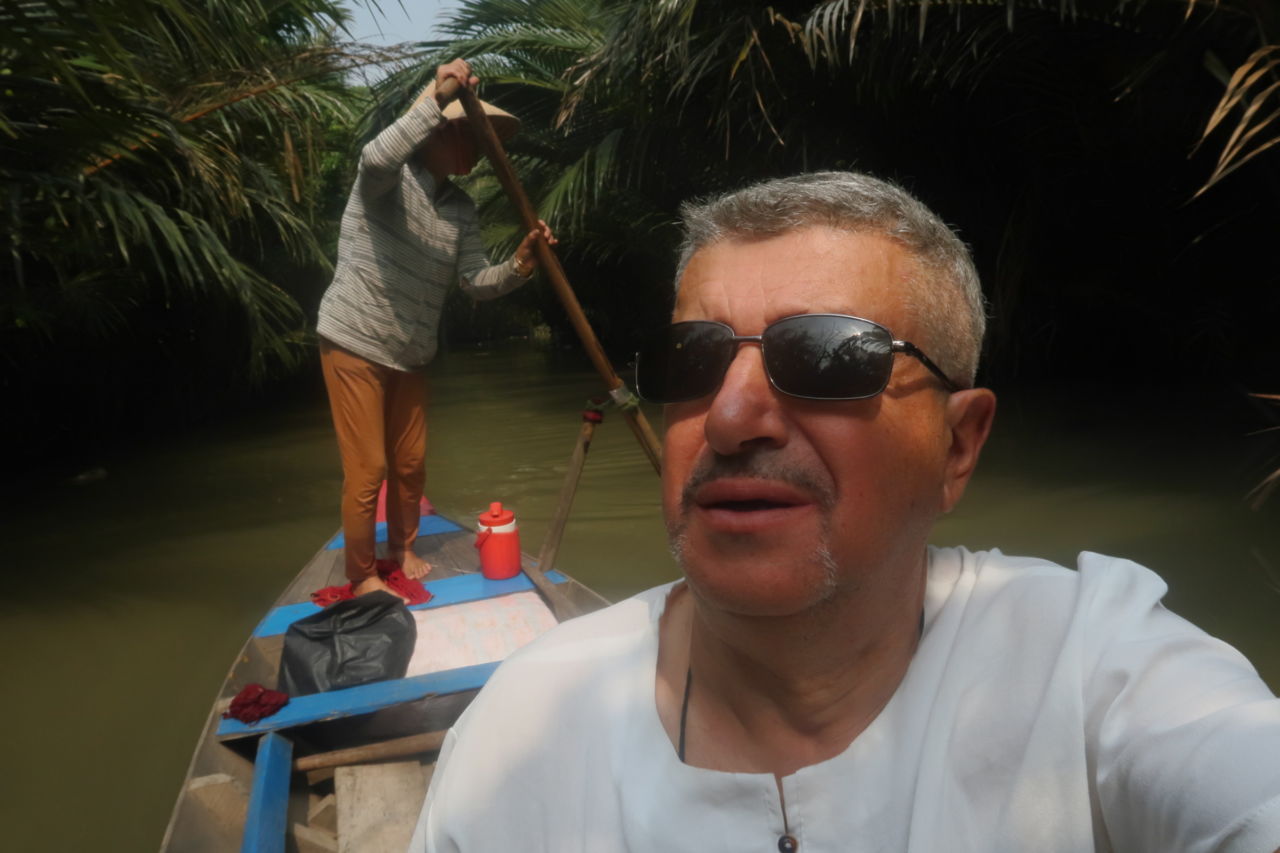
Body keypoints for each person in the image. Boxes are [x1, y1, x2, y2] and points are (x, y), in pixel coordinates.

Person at [409, 172, 1280, 851]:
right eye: (693, 359)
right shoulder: (528, 727)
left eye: (826, 356)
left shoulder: (1091, 663)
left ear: (957, 446)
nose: (729, 416)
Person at [317, 58, 555, 599]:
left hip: (411, 350)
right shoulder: (386, 180)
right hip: (355, 337)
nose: (480, 149)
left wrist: (520, 264)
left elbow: (474, 281)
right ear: (441, 131)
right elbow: (375, 156)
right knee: (369, 468)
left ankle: (402, 547)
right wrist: (438, 93)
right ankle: (362, 575)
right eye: (471, 135)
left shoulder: (460, 208)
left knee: (410, 463)